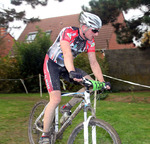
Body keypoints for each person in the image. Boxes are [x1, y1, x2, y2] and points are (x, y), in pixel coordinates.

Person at [39, 11, 111, 144]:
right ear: (84, 27)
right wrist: (72, 71)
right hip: (53, 64)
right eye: (94, 31)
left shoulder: (90, 42)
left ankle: (67, 107)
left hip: (68, 66)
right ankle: (44, 135)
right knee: (55, 99)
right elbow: (66, 53)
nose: (96, 34)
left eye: (98, 31)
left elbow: (93, 63)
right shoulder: (68, 32)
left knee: (90, 84)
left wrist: (101, 82)